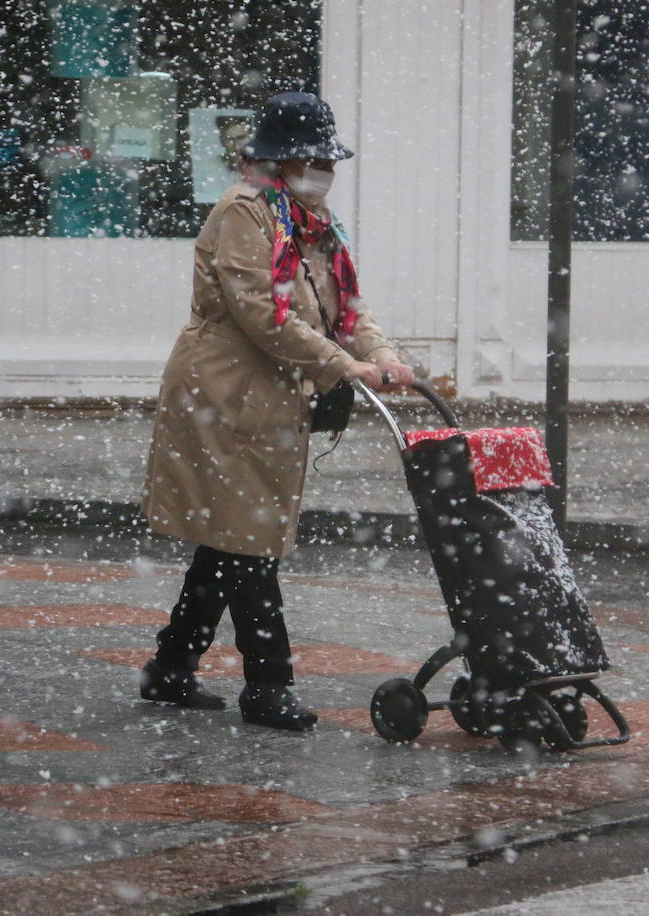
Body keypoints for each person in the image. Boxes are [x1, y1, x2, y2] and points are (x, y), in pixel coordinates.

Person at [140, 92, 416, 731]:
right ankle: (268, 685)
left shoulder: (311, 221)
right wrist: (344, 367)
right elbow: (265, 314)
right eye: (316, 158)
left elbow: (347, 307)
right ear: (283, 158)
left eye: (330, 159)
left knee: (230, 535)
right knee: (249, 543)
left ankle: (170, 668)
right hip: (226, 396)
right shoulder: (247, 214)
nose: (327, 170)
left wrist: (381, 355)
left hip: (269, 399)